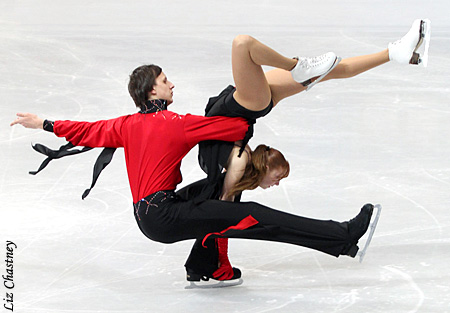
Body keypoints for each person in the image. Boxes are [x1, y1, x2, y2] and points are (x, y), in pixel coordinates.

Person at [11, 64, 375, 288]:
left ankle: (203, 268)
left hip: (149, 214)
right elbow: (230, 123)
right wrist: (262, 100)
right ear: (152, 90)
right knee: (257, 219)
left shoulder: (125, 124)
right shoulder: (176, 125)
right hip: (166, 215)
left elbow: (87, 130)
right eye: (166, 81)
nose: (173, 85)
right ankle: (342, 236)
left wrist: (44, 123)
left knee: (217, 191)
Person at [188, 18, 430, 283]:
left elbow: (223, 214)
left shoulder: (238, 164)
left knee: (244, 44)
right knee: (328, 71)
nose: (277, 184)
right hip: (241, 109)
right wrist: (217, 265)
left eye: (277, 178)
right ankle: (378, 56)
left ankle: (391, 54)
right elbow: (222, 217)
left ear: (265, 166)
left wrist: (216, 264)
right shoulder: (239, 162)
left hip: (243, 106)